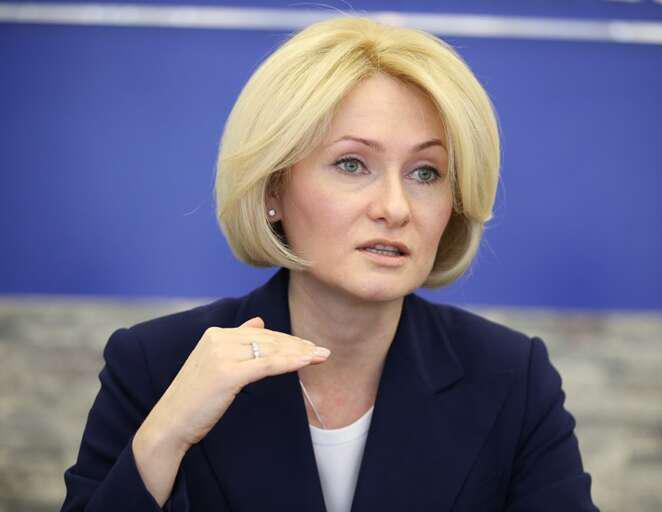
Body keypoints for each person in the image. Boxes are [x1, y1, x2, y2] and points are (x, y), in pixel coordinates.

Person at [61, 15, 598, 512]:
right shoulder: (156, 365)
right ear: (274, 187)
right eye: (352, 164)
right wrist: (165, 436)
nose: (394, 208)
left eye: (426, 173)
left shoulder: (512, 377)